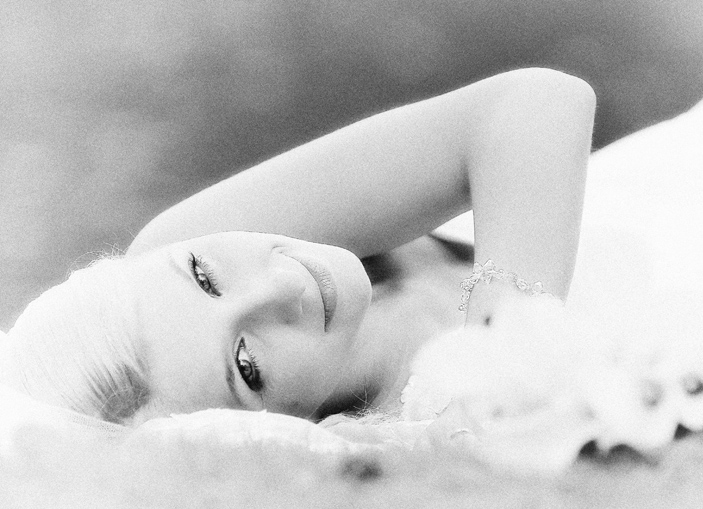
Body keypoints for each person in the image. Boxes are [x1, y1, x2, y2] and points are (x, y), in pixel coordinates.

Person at [0, 68, 596, 426]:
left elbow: (538, 104)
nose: (285, 285)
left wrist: (504, 350)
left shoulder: (166, 254)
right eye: (248, 368)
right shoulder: (384, 447)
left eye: (205, 276)